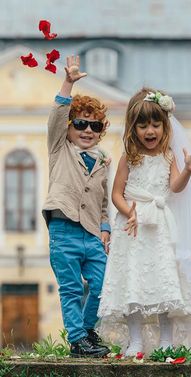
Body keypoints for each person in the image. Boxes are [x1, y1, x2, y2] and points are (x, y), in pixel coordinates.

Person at [98, 88, 191, 359]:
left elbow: (176, 187)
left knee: (161, 280)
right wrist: (129, 211)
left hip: (160, 226)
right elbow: (116, 193)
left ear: (165, 125)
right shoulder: (129, 158)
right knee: (133, 280)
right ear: (133, 128)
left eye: (155, 124)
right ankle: (135, 340)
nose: (150, 131)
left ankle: (164, 341)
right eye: (143, 125)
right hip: (132, 227)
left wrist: (186, 169)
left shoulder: (169, 157)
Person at [42, 56, 111, 358]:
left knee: (102, 284)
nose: (87, 130)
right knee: (71, 289)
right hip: (64, 229)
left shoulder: (103, 162)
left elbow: (105, 203)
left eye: (94, 125)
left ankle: (87, 330)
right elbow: (57, 115)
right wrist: (68, 82)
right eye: (80, 123)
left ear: (100, 130)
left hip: (93, 235)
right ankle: (77, 340)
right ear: (69, 127)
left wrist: (106, 229)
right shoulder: (59, 148)